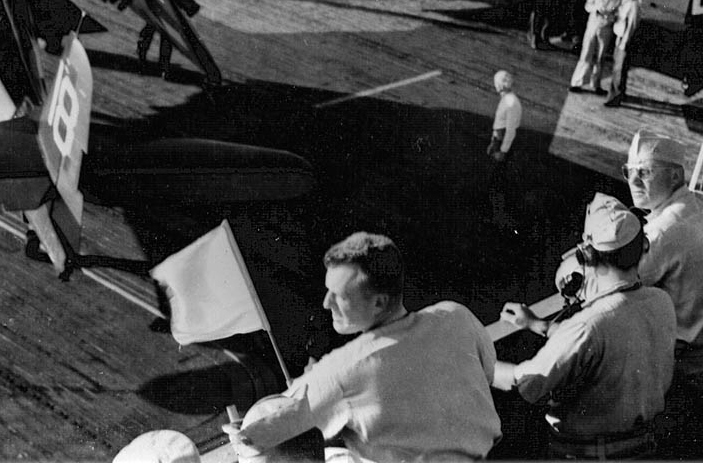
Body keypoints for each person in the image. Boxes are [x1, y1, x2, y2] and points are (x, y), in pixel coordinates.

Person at [225, 232, 502, 462]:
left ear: (379, 303)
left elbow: (258, 436)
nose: (326, 303)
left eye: (340, 296)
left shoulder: (342, 370)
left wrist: (241, 433)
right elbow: (487, 374)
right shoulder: (454, 314)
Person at [493, 193, 676, 459]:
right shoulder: (661, 302)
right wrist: (537, 324)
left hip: (590, 454)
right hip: (643, 448)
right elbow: (608, 341)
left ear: (587, 256)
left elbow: (527, 384)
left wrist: (480, 361)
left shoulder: (587, 325)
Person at [622, 131, 703, 450]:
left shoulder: (661, 232)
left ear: (675, 175)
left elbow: (624, 281)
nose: (634, 180)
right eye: (630, 171)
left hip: (681, 360)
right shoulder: (694, 205)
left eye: (645, 171)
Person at [569, 0, 622, 94]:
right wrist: (596, 9)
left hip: (606, 29)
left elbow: (618, 15)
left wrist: (609, 16)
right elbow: (587, 6)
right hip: (593, 25)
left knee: (600, 57)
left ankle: (595, 84)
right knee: (586, 54)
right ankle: (576, 82)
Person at [487, 70, 522, 230]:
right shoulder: (508, 100)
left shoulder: (510, 103)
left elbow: (510, 130)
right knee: (496, 177)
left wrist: (503, 150)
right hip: (498, 141)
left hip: (503, 143)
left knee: (498, 178)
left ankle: (499, 214)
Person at [603, 0, 640, 107]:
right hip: (619, 37)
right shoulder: (624, 1)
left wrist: (624, 42)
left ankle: (614, 97)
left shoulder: (633, 4)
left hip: (625, 39)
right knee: (618, 68)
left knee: (619, 69)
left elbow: (632, 25)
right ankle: (620, 93)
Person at [681, 0, 703, 97]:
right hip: (696, 20)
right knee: (693, 52)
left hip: (697, 19)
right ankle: (690, 81)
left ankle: (692, 81)